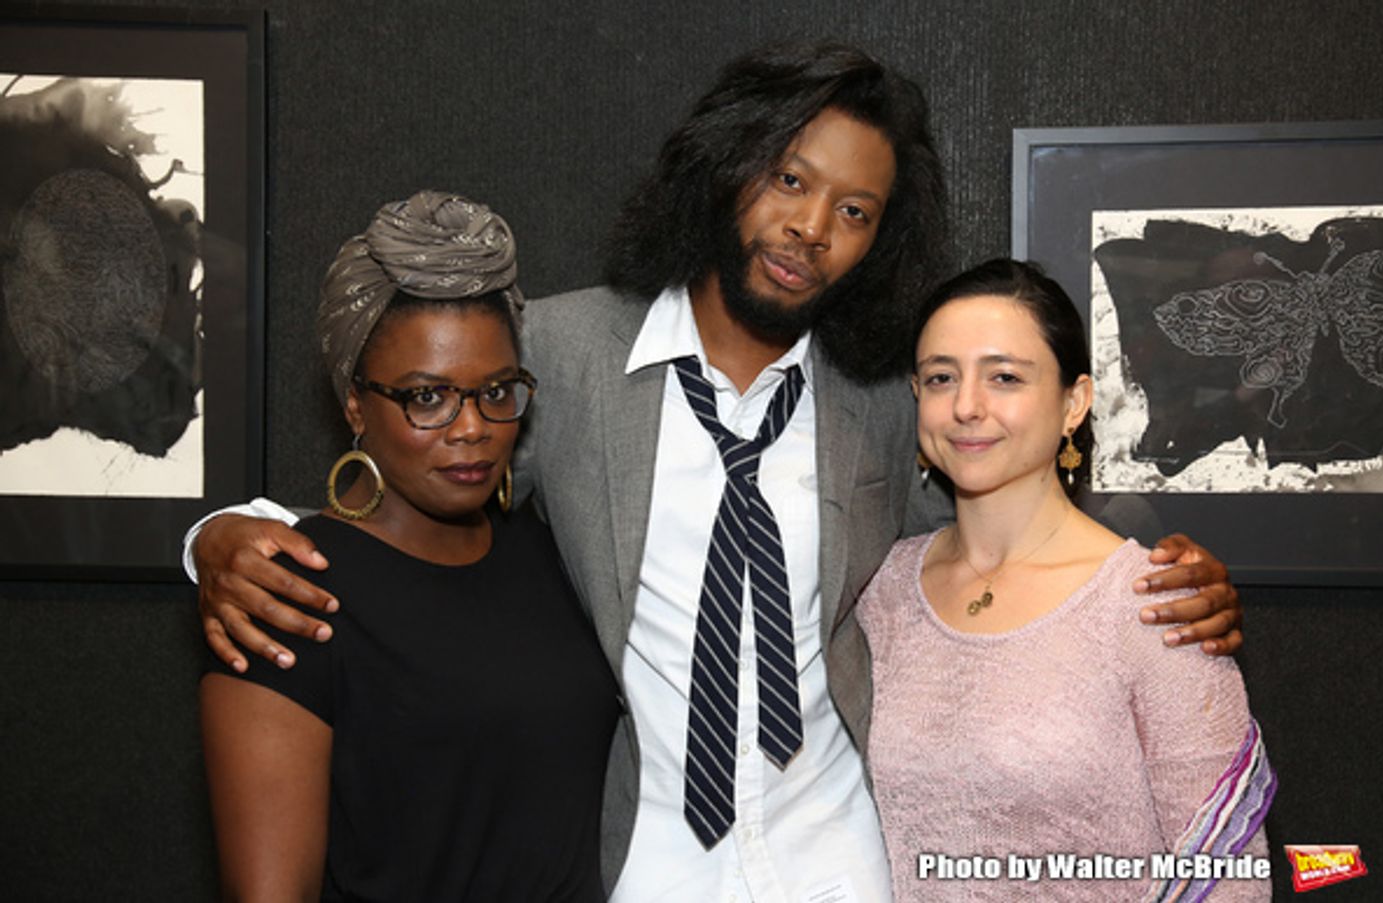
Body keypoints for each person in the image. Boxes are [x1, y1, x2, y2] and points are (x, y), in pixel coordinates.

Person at [188, 44, 1243, 901]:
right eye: (790, 178)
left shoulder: (885, 398)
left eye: (854, 211)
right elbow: (416, 465)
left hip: (841, 859)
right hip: (641, 861)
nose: (810, 228)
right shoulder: (562, 354)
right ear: (726, 166)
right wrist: (218, 537)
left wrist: (1148, 571)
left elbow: (1003, 511)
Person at [199, 192, 618, 900]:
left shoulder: (549, 553)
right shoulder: (287, 594)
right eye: (427, 397)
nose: (472, 427)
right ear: (355, 404)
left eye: (496, 391)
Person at [858, 259, 1273, 901]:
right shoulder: (881, 589)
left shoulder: (1155, 604)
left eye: (1004, 377)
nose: (966, 406)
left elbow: (1226, 878)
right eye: (942, 377)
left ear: (1073, 402)